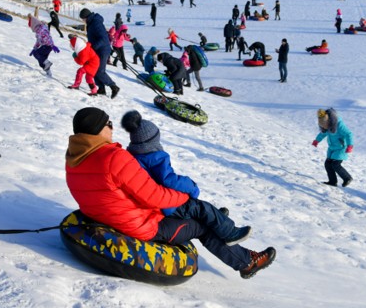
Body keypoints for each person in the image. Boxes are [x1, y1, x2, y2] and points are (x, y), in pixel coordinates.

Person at [65, 107, 276, 279]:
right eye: (108, 124)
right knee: (201, 225)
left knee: (194, 212)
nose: (111, 128)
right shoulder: (113, 157)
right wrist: (187, 198)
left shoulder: (74, 160)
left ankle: (216, 221)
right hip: (143, 226)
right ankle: (247, 263)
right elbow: (154, 196)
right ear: (95, 130)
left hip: (116, 220)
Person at [80, 8, 120, 98]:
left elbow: (103, 38)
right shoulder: (91, 22)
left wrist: (93, 47)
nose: (83, 21)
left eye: (83, 19)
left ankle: (114, 87)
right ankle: (101, 89)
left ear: (86, 17)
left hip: (102, 50)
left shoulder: (95, 23)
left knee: (100, 71)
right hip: (97, 49)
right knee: (94, 69)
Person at [313, 108, 353, 187]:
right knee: (327, 164)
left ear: (329, 121)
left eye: (325, 125)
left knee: (335, 164)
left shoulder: (339, 125)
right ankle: (332, 181)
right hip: (332, 148)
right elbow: (322, 134)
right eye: (323, 126)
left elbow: (349, 134)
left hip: (341, 148)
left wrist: (350, 145)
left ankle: (347, 178)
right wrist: (316, 140)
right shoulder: (326, 126)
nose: (325, 127)